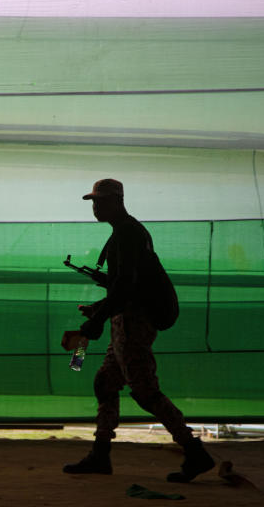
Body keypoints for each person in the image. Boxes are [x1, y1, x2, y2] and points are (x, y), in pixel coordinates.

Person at [61, 178, 214, 483]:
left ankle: (194, 451)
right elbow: (128, 286)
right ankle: (100, 455)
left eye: (101, 201)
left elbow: (126, 286)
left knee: (145, 391)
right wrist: (102, 310)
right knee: (106, 382)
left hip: (133, 323)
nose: (95, 207)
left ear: (117, 201)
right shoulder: (126, 232)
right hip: (126, 319)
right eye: (93, 201)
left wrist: (97, 319)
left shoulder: (127, 234)